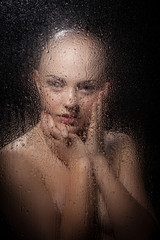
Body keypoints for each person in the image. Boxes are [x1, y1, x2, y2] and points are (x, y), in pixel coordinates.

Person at [0, 28, 159, 240]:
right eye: (56, 84)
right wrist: (80, 164)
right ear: (38, 84)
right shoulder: (13, 160)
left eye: (86, 88)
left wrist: (98, 159)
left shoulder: (121, 144)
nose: (71, 102)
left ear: (105, 90)